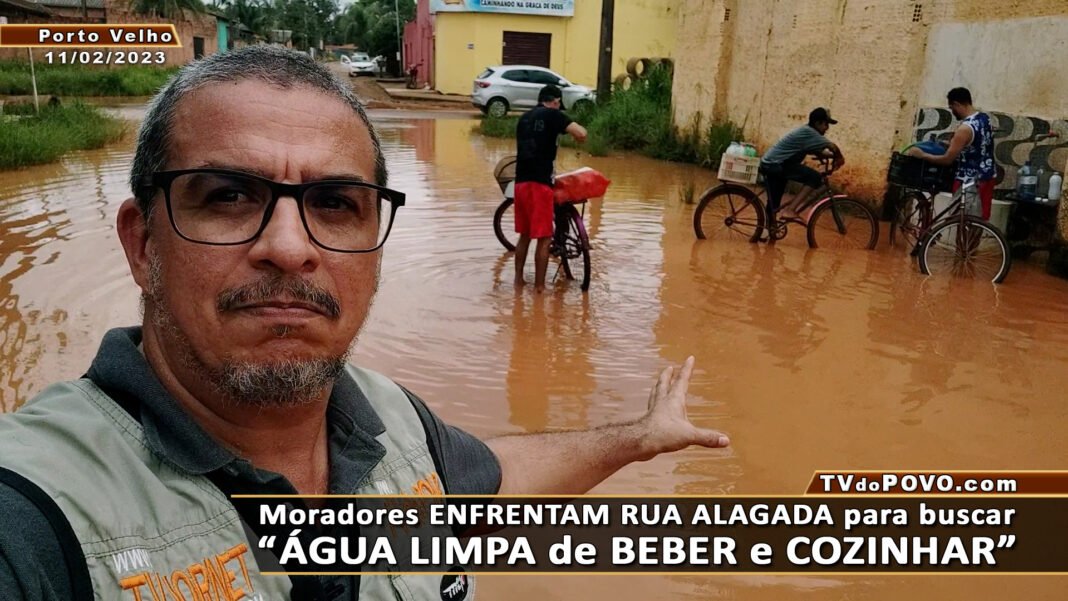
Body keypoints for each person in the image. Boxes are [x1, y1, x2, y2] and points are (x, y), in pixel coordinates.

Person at [0, 46, 727, 600]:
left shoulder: (392, 421)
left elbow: (490, 483)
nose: (289, 247)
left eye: (336, 205)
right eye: (226, 195)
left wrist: (636, 437)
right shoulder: (36, 518)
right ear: (142, 242)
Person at [513, 84, 588, 292]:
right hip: (540, 185)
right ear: (555, 101)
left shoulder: (524, 118)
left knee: (525, 235)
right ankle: (539, 288)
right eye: (558, 103)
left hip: (520, 183)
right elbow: (580, 133)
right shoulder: (554, 115)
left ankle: (518, 281)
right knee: (545, 238)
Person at [909, 87, 995, 219]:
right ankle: (972, 240)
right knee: (978, 220)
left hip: (968, 181)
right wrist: (955, 144)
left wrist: (922, 155)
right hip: (987, 176)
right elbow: (978, 144)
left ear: (957, 104)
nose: (952, 111)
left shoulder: (964, 129)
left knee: (961, 220)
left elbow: (947, 159)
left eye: (951, 107)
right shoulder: (985, 119)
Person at [758, 107, 845, 223]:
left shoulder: (806, 132)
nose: (827, 128)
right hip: (775, 165)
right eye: (826, 124)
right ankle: (790, 210)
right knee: (815, 177)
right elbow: (832, 146)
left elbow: (819, 151)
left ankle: (768, 229)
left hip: (773, 163)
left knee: (774, 203)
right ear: (817, 123)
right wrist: (839, 157)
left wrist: (831, 156)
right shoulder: (810, 132)